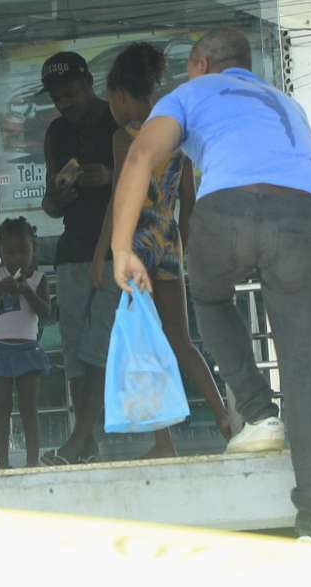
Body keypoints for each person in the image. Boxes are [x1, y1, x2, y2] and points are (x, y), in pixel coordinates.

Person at [110, 28, 311, 541]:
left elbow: (140, 157)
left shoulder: (191, 93)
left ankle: (258, 414)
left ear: (199, 64)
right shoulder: (286, 104)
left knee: (209, 296)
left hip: (228, 210)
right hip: (303, 216)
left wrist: (122, 249)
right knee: (305, 372)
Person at [92, 43, 232, 458]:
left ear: (120, 95)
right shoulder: (174, 133)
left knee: (145, 341)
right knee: (181, 341)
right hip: (169, 242)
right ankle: (226, 420)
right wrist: (189, 250)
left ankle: (164, 442)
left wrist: (103, 252)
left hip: (135, 245)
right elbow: (189, 198)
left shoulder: (125, 138)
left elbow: (119, 199)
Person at [36, 52, 121, 466]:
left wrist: (109, 177)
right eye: (56, 97)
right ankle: (83, 438)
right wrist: (58, 196)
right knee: (74, 351)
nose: (64, 103)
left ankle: (81, 437)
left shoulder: (117, 120)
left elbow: (148, 182)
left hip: (115, 249)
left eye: (69, 93)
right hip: (72, 249)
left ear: (89, 82)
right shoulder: (56, 132)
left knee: (98, 347)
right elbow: (50, 207)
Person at [0, 217, 51, 468]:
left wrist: (27, 291)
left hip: (27, 350)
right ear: (0, 252)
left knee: (29, 408)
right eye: (10, 252)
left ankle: (32, 461)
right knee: (1, 407)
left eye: (23, 251)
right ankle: (3, 461)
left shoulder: (39, 279)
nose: (17, 258)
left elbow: (46, 312)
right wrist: (3, 287)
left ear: (33, 251)